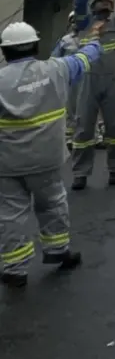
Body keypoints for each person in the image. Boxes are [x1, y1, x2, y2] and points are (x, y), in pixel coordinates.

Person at [0, 22, 101, 287]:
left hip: (8, 165)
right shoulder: (56, 69)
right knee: (53, 205)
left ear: (5, 51)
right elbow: (86, 58)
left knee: (11, 215)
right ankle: (58, 252)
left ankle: (14, 269)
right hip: (47, 160)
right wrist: (93, 37)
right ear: (35, 45)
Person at [70, 0, 115, 190]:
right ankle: (80, 174)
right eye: (99, 5)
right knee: (83, 130)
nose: (103, 8)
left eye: (107, 5)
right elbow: (78, 1)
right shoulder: (85, 24)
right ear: (93, 8)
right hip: (89, 82)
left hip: (112, 82)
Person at [51, 11, 81, 147]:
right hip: (71, 80)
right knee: (70, 108)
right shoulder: (65, 41)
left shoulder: (92, 39)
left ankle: (94, 136)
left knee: (91, 108)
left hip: (89, 79)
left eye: (78, 20)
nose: (75, 23)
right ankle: (69, 137)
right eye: (73, 20)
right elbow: (54, 59)